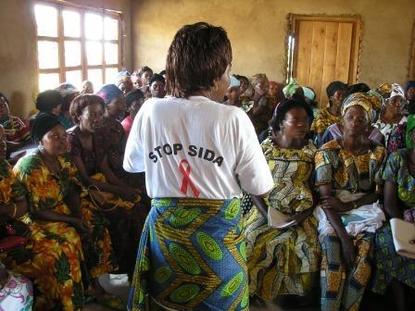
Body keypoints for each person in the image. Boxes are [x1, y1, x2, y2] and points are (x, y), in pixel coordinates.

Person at [124, 22, 274, 311]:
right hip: (218, 252)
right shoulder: (233, 119)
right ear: (217, 72)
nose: (230, 81)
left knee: (169, 305)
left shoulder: (150, 111)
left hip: (167, 245)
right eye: (229, 71)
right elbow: (260, 185)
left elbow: (132, 164)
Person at [14, 113, 118, 309]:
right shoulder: (31, 166)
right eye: (54, 136)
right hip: (37, 219)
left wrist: (78, 215)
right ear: (40, 141)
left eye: (63, 135)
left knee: (95, 224)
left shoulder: (62, 159)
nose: (62, 140)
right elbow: (36, 210)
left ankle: (94, 287)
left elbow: (72, 188)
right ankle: (70, 301)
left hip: (62, 210)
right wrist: (72, 221)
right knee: (68, 243)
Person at [314, 95, 386, 311]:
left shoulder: (378, 152)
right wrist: (345, 239)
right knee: (333, 260)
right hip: (333, 215)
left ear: (369, 125)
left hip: (364, 211)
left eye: (361, 119)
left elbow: (377, 193)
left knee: (363, 261)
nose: (355, 122)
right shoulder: (327, 151)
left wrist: (350, 206)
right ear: (340, 122)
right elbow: (327, 201)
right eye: (350, 117)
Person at [244, 98, 320, 302]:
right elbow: (253, 186)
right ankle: (252, 293)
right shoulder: (266, 149)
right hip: (266, 210)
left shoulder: (313, 153)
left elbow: (316, 189)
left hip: (301, 214)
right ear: (280, 123)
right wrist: (267, 213)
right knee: (251, 240)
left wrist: (302, 215)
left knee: (302, 247)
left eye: (306, 120)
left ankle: (287, 299)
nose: (302, 125)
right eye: (295, 120)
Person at [68, 94, 146, 275]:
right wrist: (120, 190)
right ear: (79, 115)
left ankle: (136, 266)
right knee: (124, 215)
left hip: (101, 186)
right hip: (82, 191)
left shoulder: (97, 137)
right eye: (92, 115)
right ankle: (122, 267)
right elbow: (85, 179)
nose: (97, 119)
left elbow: (106, 170)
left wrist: (126, 189)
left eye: (100, 114)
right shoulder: (72, 140)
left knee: (139, 205)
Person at [371, 116, 415, 311]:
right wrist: (405, 230)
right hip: (397, 218)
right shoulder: (398, 158)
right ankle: (400, 303)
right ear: (413, 136)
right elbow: (389, 203)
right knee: (389, 244)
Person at [319, 93, 384, 147]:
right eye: (350, 117)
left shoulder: (376, 137)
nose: (354, 123)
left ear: (368, 125)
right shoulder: (332, 132)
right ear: (342, 119)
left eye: (360, 120)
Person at [373, 83, 407, 153]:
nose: (398, 104)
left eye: (401, 101)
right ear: (386, 102)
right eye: (394, 100)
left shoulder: (405, 122)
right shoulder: (375, 117)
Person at [311, 81, 348, 145]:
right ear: (331, 98)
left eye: (344, 95)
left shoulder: (347, 115)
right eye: (338, 95)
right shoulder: (322, 115)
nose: (342, 98)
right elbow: (321, 139)